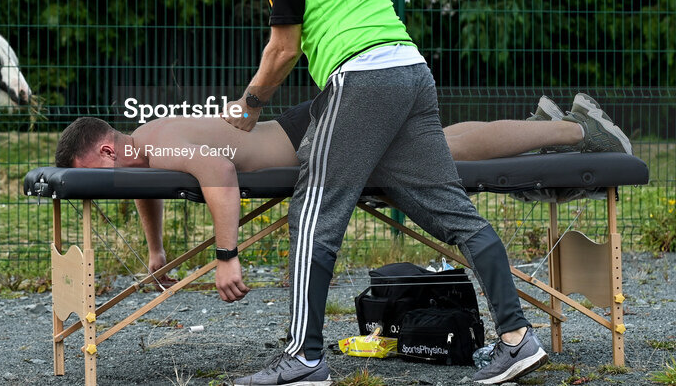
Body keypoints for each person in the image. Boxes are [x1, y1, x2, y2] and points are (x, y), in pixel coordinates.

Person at [202, 0, 551, 385]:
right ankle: (518, 339)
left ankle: (303, 359)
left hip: (362, 80)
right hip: (410, 72)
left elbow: (284, 47)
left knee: (313, 214)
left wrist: (250, 105)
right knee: (453, 212)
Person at [54, 93, 631, 291]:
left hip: (314, 138)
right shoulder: (144, 144)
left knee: (445, 148)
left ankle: (580, 130)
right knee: (446, 142)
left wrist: (226, 256)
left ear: (107, 151)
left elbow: (220, 177)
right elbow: (144, 189)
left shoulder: (166, 145)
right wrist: (156, 250)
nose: (106, 184)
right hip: (305, 132)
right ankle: (557, 126)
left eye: (97, 174)